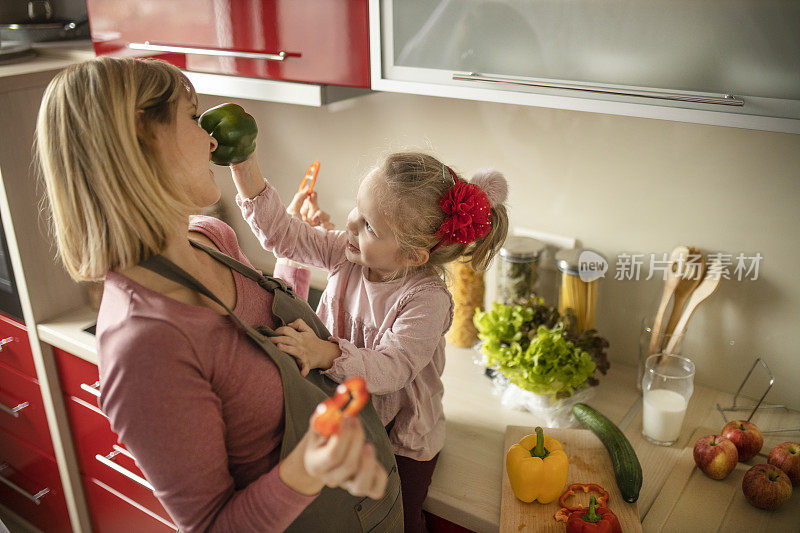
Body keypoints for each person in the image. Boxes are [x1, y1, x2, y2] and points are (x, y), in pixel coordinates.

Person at [35, 56, 391, 532]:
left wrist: (292, 263)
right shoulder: (144, 346)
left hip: (373, 507)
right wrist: (306, 470)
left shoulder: (210, 237)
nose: (209, 138)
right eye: (190, 116)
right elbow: (210, 527)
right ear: (143, 133)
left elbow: (263, 337)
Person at [231, 151, 509, 531]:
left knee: (399, 520)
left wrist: (326, 353)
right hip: (353, 417)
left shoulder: (426, 298)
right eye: (357, 208)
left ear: (413, 255)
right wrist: (244, 165)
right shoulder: (349, 255)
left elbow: (392, 368)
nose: (350, 224)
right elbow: (283, 235)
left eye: (369, 226)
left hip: (403, 440)